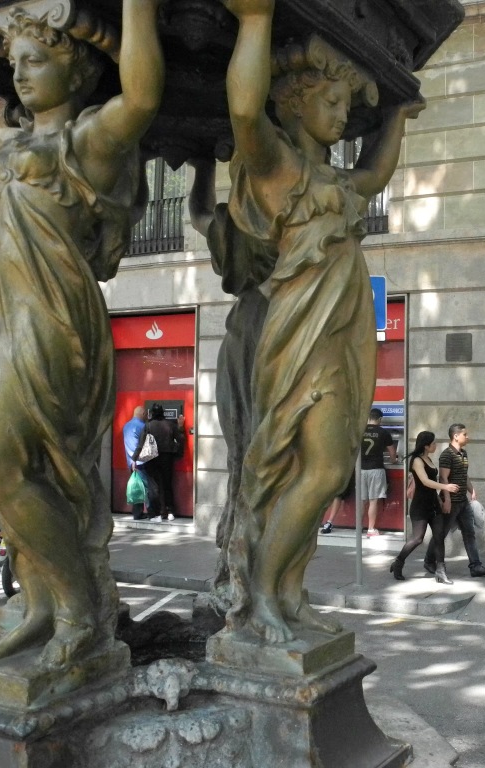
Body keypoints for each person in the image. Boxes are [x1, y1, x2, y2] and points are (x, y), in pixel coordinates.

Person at [0, 0, 165, 670]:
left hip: (49, 320)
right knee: (27, 467)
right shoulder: (11, 148)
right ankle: (44, 606)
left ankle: (78, 615)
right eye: (14, 62)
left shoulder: (87, 142)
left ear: (76, 72)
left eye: (37, 59)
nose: (21, 75)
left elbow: (140, 95)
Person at [223, 0, 425, 642]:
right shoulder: (280, 168)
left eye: (345, 104)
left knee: (324, 467)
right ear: (296, 101)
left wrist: (394, 117)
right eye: (332, 103)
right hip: (301, 334)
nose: (342, 116)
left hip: (339, 333)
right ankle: (259, 596)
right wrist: (254, 22)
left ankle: (286, 591)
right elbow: (243, 114)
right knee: (317, 468)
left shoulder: (334, 181)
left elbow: (375, 171)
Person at [188, 156, 278, 604]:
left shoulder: (244, 225)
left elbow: (199, 213)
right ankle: (245, 570)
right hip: (257, 333)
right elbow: (204, 216)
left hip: (244, 332)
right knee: (249, 457)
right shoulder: (282, 220)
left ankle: (238, 566)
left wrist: (202, 164)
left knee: (242, 458)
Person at [425, 423, 485, 578]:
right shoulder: (447, 455)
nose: (467, 437)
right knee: (441, 533)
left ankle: (475, 566)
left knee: (469, 533)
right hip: (452, 501)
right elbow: (443, 478)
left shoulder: (463, 453)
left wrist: (472, 490)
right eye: (465, 434)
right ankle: (429, 560)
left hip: (463, 501)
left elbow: (464, 475)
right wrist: (447, 499)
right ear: (455, 436)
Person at [390, 431, 459, 583]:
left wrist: (439, 500)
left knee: (439, 537)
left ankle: (441, 572)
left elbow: (431, 486)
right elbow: (425, 481)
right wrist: (445, 487)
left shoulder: (428, 458)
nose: (435, 445)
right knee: (417, 539)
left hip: (433, 505)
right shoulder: (416, 460)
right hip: (420, 506)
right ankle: (398, 562)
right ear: (426, 446)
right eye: (433, 443)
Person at [132, 404, 181, 522]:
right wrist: (176, 453)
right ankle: (170, 512)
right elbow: (179, 440)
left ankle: (157, 514)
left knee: (154, 486)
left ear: (151, 413)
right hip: (167, 458)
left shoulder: (148, 426)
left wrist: (134, 458)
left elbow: (141, 444)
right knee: (167, 485)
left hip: (152, 458)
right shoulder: (171, 425)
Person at [361, 408, 396, 536]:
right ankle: (371, 529)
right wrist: (393, 461)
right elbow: (392, 454)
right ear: (380, 419)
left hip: (361, 469)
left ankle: (358, 527)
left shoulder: (361, 431)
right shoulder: (383, 432)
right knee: (373, 500)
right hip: (376, 468)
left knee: (362, 500)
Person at [123, 406, 149, 520]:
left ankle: (137, 513)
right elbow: (142, 446)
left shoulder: (126, 426)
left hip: (131, 462)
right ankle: (150, 511)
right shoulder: (142, 426)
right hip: (140, 462)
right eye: (146, 414)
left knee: (136, 488)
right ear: (143, 414)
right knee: (147, 487)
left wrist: (132, 461)